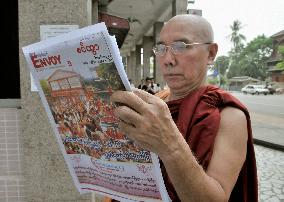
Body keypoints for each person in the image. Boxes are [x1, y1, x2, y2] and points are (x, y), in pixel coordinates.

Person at [109, 14, 258, 202]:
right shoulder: (156, 101)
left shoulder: (229, 114)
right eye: (161, 48)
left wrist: (169, 145)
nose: (167, 59)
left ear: (211, 53)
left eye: (181, 46)